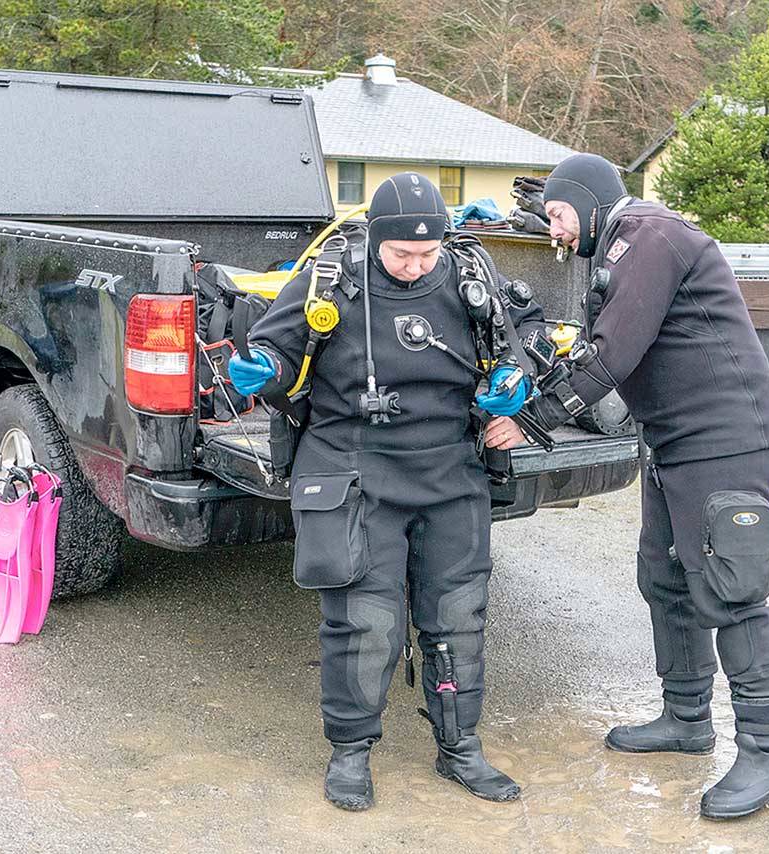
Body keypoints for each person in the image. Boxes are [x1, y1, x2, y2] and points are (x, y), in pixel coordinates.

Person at [485, 153, 769, 819]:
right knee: (665, 575)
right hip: (675, 440)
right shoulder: (624, 247)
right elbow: (598, 349)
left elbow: (612, 354)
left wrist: (529, 420)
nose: (557, 233)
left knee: (731, 592)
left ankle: (768, 755)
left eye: (561, 216)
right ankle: (686, 719)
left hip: (725, 440)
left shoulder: (648, 236)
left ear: (591, 202)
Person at [229, 172, 542, 811]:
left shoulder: (466, 276)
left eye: (426, 255)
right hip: (356, 466)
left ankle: (460, 748)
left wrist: (517, 381)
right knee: (364, 620)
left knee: (457, 616)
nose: (414, 265)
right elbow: (278, 345)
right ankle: (350, 752)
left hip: (451, 468)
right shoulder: (332, 276)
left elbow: (520, 343)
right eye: (401, 254)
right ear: (376, 239)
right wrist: (263, 369)